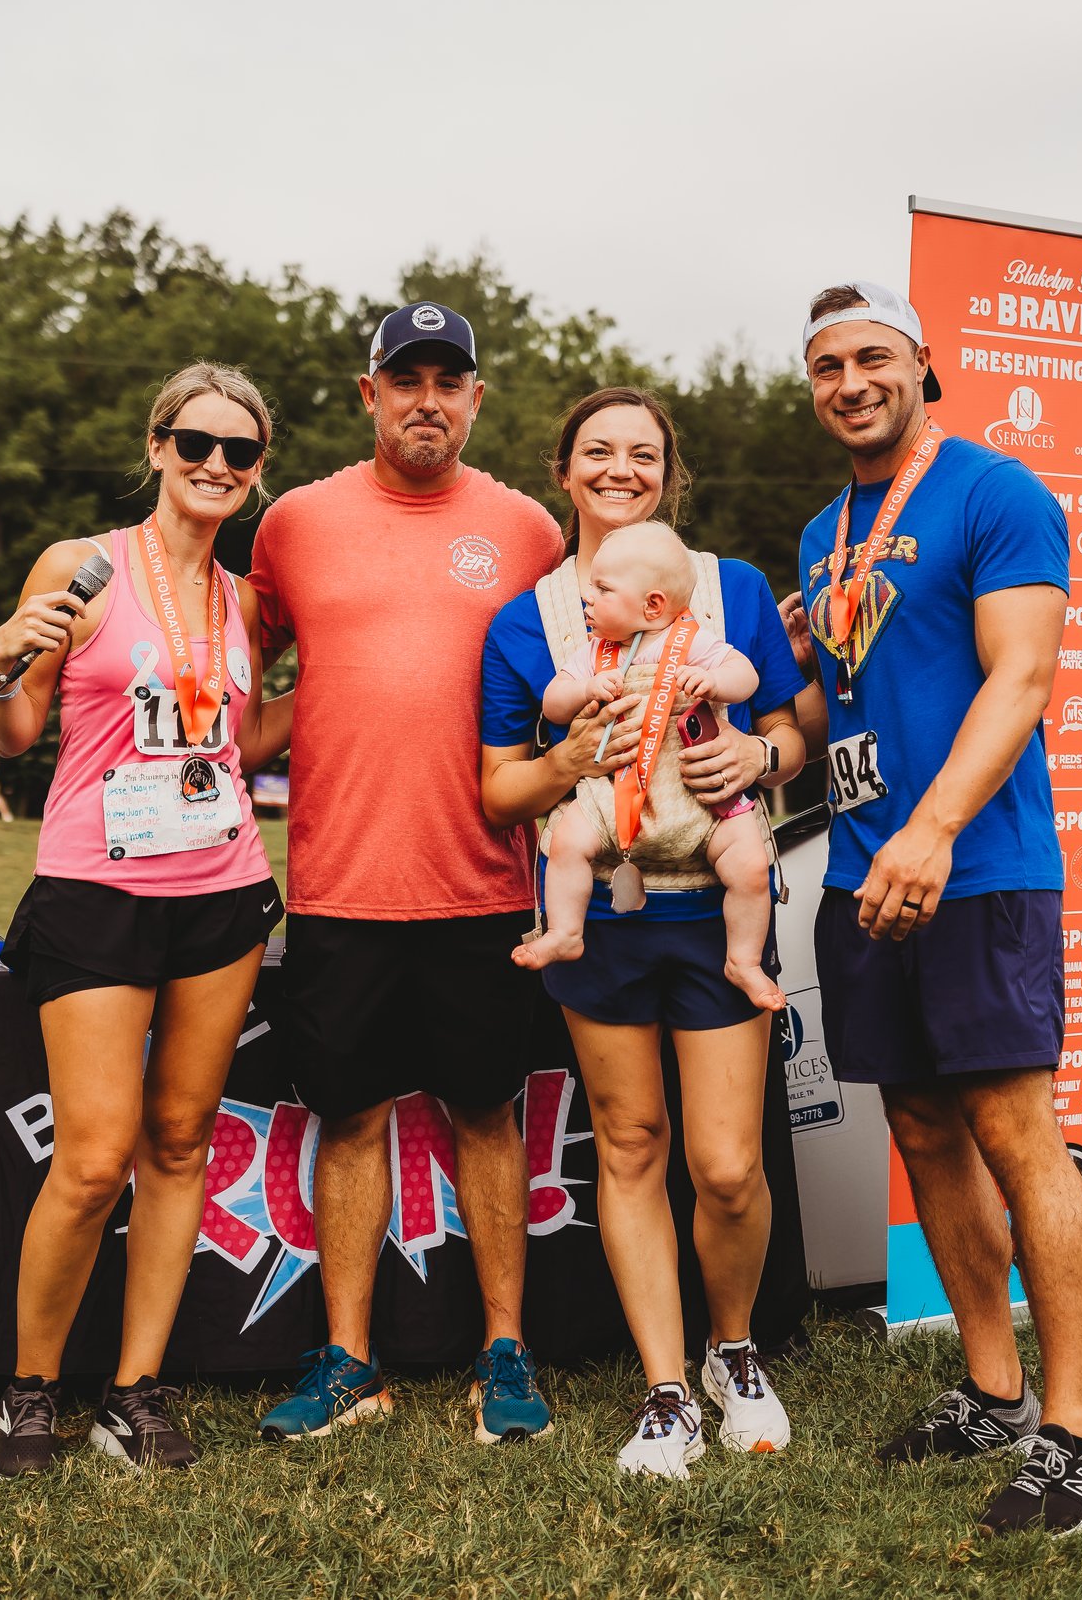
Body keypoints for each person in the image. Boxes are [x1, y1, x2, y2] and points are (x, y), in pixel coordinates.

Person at [781, 281, 1082, 1534]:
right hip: (861, 874)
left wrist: (931, 828)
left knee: (1013, 1130)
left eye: (871, 356)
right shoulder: (825, 530)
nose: (849, 382)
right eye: (825, 365)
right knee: (923, 1128)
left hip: (975, 866)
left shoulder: (995, 491)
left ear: (922, 362)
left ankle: (1080, 1436)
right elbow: (845, 695)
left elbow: (1021, 674)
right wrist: (765, 738)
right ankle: (994, 1386)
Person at [0, 362, 293, 1480]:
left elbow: (239, 741)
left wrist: (340, 692)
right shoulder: (84, 564)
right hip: (95, 891)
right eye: (195, 442)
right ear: (157, 446)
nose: (216, 463)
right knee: (95, 1157)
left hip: (222, 890)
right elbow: (16, 729)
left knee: (181, 1143)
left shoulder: (246, 600)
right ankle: (28, 1394)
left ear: (258, 471)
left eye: (239, 451)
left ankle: (133, 1393)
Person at [249, 302, 563, 1444]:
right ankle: (349, 1360)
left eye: (448, 380)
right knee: (347, 1119)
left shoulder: (529, 530)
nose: (426, 399)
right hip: (340, 881)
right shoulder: (293, 522)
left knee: (486, 1112)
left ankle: (504, 1351)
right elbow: (231, 666)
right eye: (405, 378)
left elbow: (590, 659)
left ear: (476, 398)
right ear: (368, 392)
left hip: (483, 881)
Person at [481, 386, 808, 1479]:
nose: (620, 469)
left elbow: (792, 724)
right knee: (628, 1145)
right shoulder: (531, 620)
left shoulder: (730, 588)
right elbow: (497, 789)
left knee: (727, 1164)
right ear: (562, 470)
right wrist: (569, 763)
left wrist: (759, 756)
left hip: (713, 900)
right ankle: (666, 1389)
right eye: (597, 451)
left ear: (670, 473)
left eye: (644, 454)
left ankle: (733, 1349)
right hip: (608, 913)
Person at [515, 521, 781, 1014]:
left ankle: (743, 959)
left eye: (603, 589)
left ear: (653, 605)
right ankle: (565, 931)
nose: (588, 598)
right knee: (568, 842)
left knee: (749, 866)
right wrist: (582, 689)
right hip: (612, 797)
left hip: (701, 799)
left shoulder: (693, 641)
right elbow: (553, 703)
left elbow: (745, 676)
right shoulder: (593, 652)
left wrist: (714, 681)